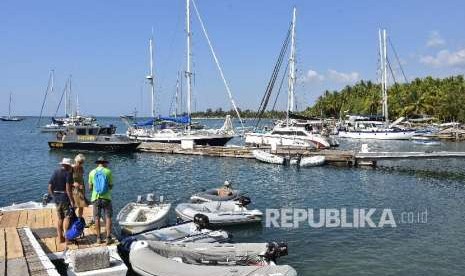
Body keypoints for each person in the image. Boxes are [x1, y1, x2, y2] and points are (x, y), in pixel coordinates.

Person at [48, 158, 75, 243]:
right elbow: (67, 188)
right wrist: (72, 200)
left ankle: (60, 238)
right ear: (67, 165)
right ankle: (67, 238)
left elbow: (49, 187)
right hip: (65, 198)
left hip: (57, 198)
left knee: (60, 219)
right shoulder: (68, 173)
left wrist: (54, 197)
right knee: (67, 217)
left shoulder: (55, 172)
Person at [88, 156, 113, 244]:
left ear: (98, 163)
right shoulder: (108, 172)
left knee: (97, 218)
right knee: (108, 217)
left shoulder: (92, 172)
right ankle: (108, 238)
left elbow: (90, 188)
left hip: (95, 198)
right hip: (106, 198)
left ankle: (98, 238)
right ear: (105, 163)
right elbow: (111, 186)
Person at [72, 154, 88, 218]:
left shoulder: (81, 168)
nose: (81, 164)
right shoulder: (71, 168)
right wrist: (74, 183)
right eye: (79, 162)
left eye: (82, 162)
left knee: (82, 205)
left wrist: (83, 188)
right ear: (76, 161)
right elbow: (66, 181)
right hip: (73, 190)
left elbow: (81, 179)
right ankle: (71, 218)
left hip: (81, 189)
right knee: (74, 206)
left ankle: (79, 219)